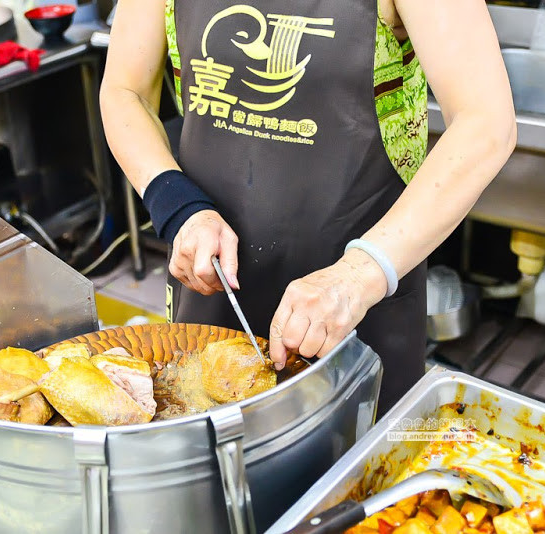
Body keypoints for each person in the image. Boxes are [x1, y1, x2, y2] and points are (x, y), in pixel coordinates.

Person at [100, 0, 515, 415]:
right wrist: (179, 208)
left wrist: (359, 276)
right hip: (210, 282)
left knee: (358, 447)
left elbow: (485, 121)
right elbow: (125, 90)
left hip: (356, 299)